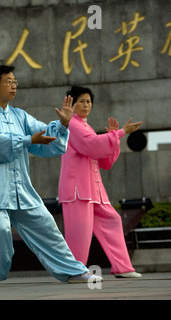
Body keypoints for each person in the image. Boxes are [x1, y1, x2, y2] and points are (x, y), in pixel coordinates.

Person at [0, 61, 98, 287]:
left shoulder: (20, 115)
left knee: (46, 226)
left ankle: (73, 270)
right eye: (8, 82)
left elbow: (44, 134)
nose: (14, 86)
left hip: (20, 188)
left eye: (15, 82)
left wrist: (63, 124)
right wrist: (28, 140)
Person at [58, 85, 143, 278]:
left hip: (93, 190)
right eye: (82, 101)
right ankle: (75, 272)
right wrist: (120, 133)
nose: (86, 105)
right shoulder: (72, 124)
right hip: (77, 190)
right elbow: (92, 145)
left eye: (89, 101)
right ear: (72, 103)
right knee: (80, 232)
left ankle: (123, 268)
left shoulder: (84, 126)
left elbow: (103, 160)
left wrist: (115, 139)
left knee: (112, 220)